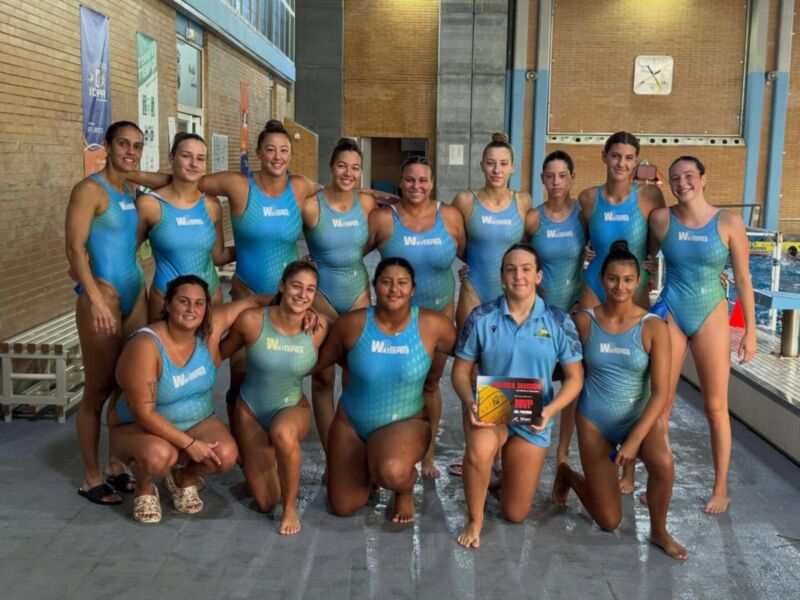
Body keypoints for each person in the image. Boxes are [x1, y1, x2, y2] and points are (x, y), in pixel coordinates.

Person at [551, 241, 688, 560]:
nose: (620, 286)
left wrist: (634, 440)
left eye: (628, 279)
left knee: (664, 464)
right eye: (613, 278)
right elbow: (567, 376)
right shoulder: (584, 321)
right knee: (609, 521)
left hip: (637, 419)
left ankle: (659, 530)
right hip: (595, 422)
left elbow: (661, 392)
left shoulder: (653, 327)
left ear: (638, 280)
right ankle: (567, 475)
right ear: (601, 279)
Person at [452, 244, 583, 548]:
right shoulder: (482, 316)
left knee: (515, 513)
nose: (518, 275)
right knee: (480, 450)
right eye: (510, 269)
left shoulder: (559, 320)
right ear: (501, 276)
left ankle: (496, 481)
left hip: (534, 417)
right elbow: (459, 372)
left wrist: (550, 410)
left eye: (526, 269)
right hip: (492, 408)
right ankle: (475, 519)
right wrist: (470, 402)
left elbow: (576, 378)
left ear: (538, 276)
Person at [109, 275, 268, 523]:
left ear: (206, 308)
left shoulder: (207, 334)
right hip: (139, 427)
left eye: (199, 303)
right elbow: (143, 413)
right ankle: (145, 483)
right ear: (167, 305)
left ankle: (185, 477)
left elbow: (253, 301)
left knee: (225, 455)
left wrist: (304, 310)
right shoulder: (146, 345)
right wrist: (189, 443)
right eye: (183, 301)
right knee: (160, 457)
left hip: (196, 421)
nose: (191, 309)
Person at [648, 156, 755, 513]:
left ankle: (720, 487)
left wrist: (751, 331)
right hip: (673, 311)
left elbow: (742, 278)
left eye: (689, 176)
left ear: (703, 179)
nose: (682, 183)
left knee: (715, 406)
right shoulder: (662, 220)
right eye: (675, 178)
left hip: (711, 313)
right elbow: (641, 259)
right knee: (661, 405)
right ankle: (660, 480)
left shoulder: (728, 222)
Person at [315, 257, 457, 522]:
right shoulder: (352, 324)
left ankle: (403, 489)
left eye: (402, 283)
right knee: (343, 506)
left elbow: (471, 355)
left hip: (405, 423)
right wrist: (297, 326)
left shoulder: (433, 325)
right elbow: (316, 361)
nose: (394, 289)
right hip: (352, 425)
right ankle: (370, 465)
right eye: (386, 282)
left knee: (392, 471)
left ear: (413, 289)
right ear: (374, 286)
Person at [65, 121, 149, 505]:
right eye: (123, 145)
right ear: (107, 146)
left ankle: (115, 465)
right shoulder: (89, 190)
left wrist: (135, 169)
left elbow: (167, 176)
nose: (130, 152)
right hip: (104, 297)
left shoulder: (129, 189)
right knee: (97, 390)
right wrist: (95, 299)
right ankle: (91, 475)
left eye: (137, 146)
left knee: (125, 382)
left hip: (134, 294)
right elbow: (74, 248)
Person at [368, 157, 465, 478]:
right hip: (395, 322)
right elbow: (346, 255)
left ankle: (427, 455)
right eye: (410, 180)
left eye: (423, 180)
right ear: (400, 183)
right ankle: (383, 446)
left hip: (437, 320)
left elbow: (471, 253)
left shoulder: (449, 216)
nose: (416, 186)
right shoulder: (383, 219)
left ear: (433, 183)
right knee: (391, 382)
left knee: (431, 384)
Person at [220, 262, 328, 535]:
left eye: (310, 290)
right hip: (251, 410)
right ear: (282, 286)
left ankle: (291, 508)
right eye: (296, 286)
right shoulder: (252, 321)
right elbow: (218, 354)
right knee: (266, 502)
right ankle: (264, 460)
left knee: (283, 433)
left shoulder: (319, 328)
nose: (302, 295)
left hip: (291, 405)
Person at [302, 138, 377, 456]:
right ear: (331, 168)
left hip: (358, 294)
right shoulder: (311, 205)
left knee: (357, 378)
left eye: (355, 167)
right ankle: (333, 451)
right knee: (321, 381)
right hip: (322, 298)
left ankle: (355, 446)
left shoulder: (367, 203)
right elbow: (279, 240)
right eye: (342, 165)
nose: (348, 172)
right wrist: (300, 270)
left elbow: (374, 241)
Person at [527, 150, 585, 467]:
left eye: (562, 175)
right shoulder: (534, 218)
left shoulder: (583, 215)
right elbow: (514, 256)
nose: (556, 182)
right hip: (541, 312)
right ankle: (514, 445)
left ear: (572, 177)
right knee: (531, 376)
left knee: (572, 380)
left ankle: (562, 452)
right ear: (542, 179)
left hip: (574, 310)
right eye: (550, 176)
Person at [136, 132, 234, 320]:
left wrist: (255, 247)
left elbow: (218, 256)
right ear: (172, 158)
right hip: (166, 301)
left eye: (200, 158)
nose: (193, 164)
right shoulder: (150, 205)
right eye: (186, 156)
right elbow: (125, 254)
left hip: (210, 298)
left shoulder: (212, 206)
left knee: (209, 350)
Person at [453, 133, 531, 330]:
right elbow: (450, 240)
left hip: (513, 292)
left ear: (513, 167)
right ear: (481, 165)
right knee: (469, 356)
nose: (497, 170)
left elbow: (530, 243)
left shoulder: (523, 201)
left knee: (508, 356)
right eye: (491, 163)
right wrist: (469, 261)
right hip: (474, 289)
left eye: (504, 164)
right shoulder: (466, 201)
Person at [579, 132, 664, 308]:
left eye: (628, 158)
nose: (621, 164)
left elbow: (668, 236)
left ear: (635, 161)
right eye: (615, 156)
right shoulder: (588, 198)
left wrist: (653, 258)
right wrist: (584, 249)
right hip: (594, 285)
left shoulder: (650, 196)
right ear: (604, 156)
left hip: (634, 287)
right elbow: (579, 241)